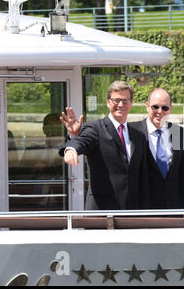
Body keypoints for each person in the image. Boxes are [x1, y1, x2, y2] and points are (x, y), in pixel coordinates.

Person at [59, 81, 149, 210]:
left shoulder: (138, 135)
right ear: (108, 102)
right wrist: (71, 147)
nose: (121, 105)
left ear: (131, 103)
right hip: (102, 210)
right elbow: (83, 140)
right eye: (116, 100)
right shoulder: (95, 128)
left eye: (125, 100)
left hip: (132, 211)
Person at [130, 88, 184, 209]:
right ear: (147, 106)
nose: (160, 111)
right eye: (155, 107)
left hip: (173, 207)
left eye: (165, 108)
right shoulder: (133, 131)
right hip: (142, 207)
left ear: (170, 109)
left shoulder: (178, 132)